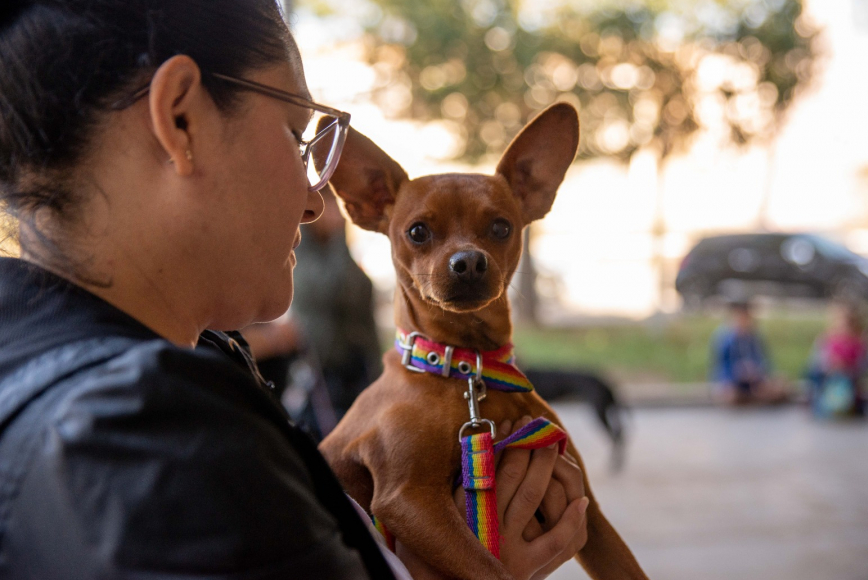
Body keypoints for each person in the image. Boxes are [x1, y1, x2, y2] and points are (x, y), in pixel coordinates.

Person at [0, 2, 589, 579]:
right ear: (181, 118)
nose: (314, 201)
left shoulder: (119, 378)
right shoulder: (150, 445)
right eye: (295, 135)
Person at [291, 187, 383, 439]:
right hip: (319, 370)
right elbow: (328, 289)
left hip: (357, 367)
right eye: (330, 207)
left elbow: (361, 300)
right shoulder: (298, 256)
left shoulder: (342, 253)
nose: (338, 216)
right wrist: (337, 244)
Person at [710, 299, 788, 405]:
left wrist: (757, 371)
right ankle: (748, 396)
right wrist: (737, 372)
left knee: (778, 385)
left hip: (754, 380)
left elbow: (764, 361)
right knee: (731, 394)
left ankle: (754, 396)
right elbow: (720, 366)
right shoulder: (724, 338)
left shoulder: (754, 337)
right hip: (732, 380)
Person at [806, 301, 868, 417]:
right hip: (828, 375)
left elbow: (864, 364)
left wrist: (849, 367)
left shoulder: (859, 343)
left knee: (851, 387)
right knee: (815, 377)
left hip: (850, 376)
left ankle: (850, 405)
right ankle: (820, 404)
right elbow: (817, 362)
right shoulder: (826, 340)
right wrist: (831, 365)